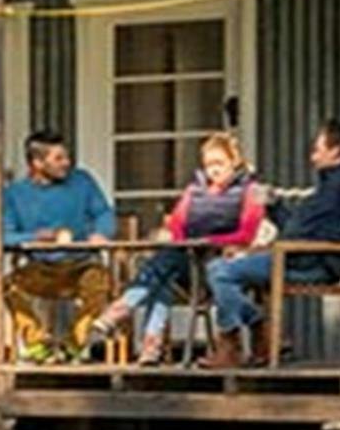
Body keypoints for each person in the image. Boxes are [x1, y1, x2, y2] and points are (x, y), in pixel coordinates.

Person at [87, 133, 268, 365]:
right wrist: (189, 243)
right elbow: (177, 224)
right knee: (164, 265)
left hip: (221, 263)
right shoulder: (194, 190)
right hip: (189, 260)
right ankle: (148, 344)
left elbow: (247, 233)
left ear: (234, 161)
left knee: (162, 270)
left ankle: (129, 319)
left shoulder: (251, 190)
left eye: (219, 163)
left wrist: (211, 241)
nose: (213, 170)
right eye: (208, 164)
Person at [202, 119, 340, 368]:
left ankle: (240, 338)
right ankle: (260, 331)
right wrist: (274, 205)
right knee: (223, 267)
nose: (312, 157)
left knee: (219, 271)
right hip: (296, 255)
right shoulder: (329, 184)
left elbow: (337, 227)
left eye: (317, 149)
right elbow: (297, 229)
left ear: (337, 151)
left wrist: (325, 241)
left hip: (310, 263)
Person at [1, 129, 117, 361]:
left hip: (82, 265)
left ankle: (73, 344)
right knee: (7, 287)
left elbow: (104, 213)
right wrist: (35, 236)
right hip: (42, 268)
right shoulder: (15, 194)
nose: (67, 163)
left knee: (100, 283)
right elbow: (4, 235)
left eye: (66, 157)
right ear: (37, 163)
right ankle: (37, 344)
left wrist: (101, 233)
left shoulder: (82, 181)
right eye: (58, 158)